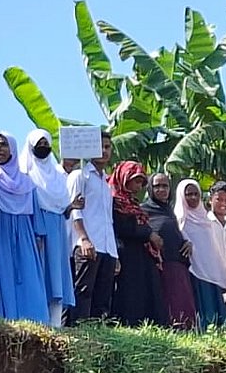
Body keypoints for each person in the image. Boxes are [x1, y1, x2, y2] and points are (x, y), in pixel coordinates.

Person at [0, 132, 50, 324]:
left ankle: (33, 319)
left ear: (12, 148)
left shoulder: (26, 181)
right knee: (1, 275)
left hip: (24, 234)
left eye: (3, 145)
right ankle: (2, 319)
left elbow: (34, 211)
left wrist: (38, 236)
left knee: (27, 276)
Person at [20, 129, 78, 326]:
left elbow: (62, 207)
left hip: (58, 230)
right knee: (40, 273)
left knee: (57, 275)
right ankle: (39, 322)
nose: (43, 148)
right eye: (39, 144)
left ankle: (56, 324)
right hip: (36, 228)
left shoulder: (58, 176)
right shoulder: (25, 173)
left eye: (46, 144)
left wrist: (71, 206)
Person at [65, 130, 118, 324]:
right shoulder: (79, 176)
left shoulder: (106, 183)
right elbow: (75, 212)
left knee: (103, 295)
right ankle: (77, 331)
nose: (104, 151)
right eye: (100, 147)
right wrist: (84, 239)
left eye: (107, 147)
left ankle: (98, 333)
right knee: (83, 291)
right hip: (87, 243)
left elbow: (108, 220)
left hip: (106, 247)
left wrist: (115, 254)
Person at [108, 161, 165, 327]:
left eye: (141, 182)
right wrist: (149, 234)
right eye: (136, 181)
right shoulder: (115, 201)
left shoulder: (132, 203)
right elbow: (123, 227)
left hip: (140, 253)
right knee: (129, 293)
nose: (139, 186)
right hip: (125, 253)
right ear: (124, 179)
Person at [142, 173, 197, 328]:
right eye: (157, 186)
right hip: (157, 265)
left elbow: (174, 232)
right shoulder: (144, 210)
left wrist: (187, 242)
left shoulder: (168, 210)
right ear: (150, 189)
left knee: (181, 300)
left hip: (177, 262)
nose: (161, 189)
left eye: (165, 186)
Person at [176, 179, 226, 329]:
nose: (193, 198)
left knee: (212, 303)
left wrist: (220, 274)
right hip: (191, 271)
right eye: (188, 194)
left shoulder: (206, 220)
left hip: (209, 272)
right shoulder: (178, 219)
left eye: (196, 194)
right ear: (181, 195)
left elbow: (213, 250)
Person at [208, 181, 226, 321]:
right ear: (210, 199)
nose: (223, 204)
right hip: (213, 277)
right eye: (219, 199)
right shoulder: (204, 223)